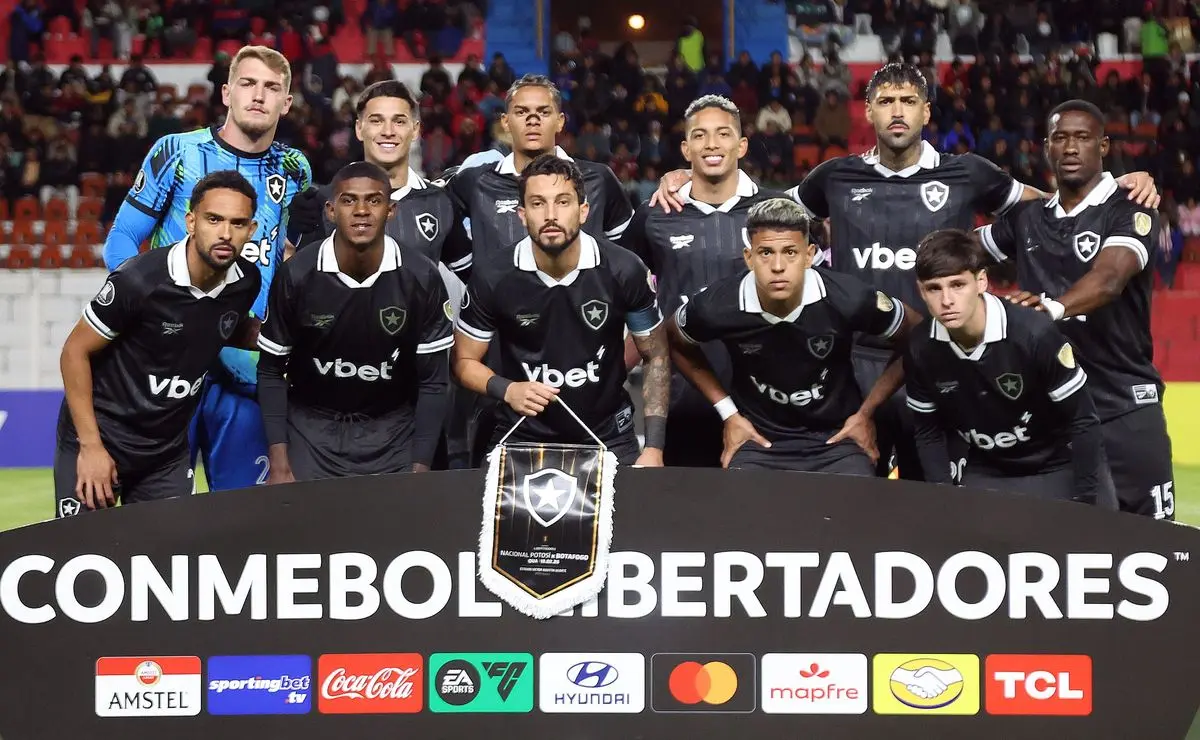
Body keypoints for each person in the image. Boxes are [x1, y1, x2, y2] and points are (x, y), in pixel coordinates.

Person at [650, 62, 1159, 484]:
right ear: (869, 111)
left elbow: (1053, 208)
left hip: (939, 363)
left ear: (926, 111)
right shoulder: (834, 176)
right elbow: (766, 216)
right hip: (852, 368)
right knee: (858, 492)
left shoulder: (968, 172)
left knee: (934, 494)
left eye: (908, 101)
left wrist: (1112, 189)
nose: (897, 111)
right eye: (886, 101)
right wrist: (689, 178)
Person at [101, 45, 313, 492]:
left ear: (286, 103)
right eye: (248, 83)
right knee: (157, 514)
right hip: (167, 361)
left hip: (246, 366)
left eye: (272, 87)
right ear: (226, 93)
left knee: (244, 514)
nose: (259, 95)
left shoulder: (295, 168)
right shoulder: (177, 151)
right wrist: (152, 311)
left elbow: (290, 253)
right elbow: (121, 240)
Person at [977, 99, 1174, 519]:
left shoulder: (1131, 205)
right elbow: (957, 253)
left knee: (1155, 538)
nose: (1070, 147)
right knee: (1067, 540)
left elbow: (1110, 279)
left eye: (1082, 137)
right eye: (1060, 138)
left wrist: (1049, 309)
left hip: (1123, 404)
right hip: (1053, 411)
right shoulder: (1028, 218)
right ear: (1046, 147)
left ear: (1103, 146)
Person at [55, 172, 264, 517]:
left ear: (251, 230)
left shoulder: (246, 282)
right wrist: (91, 447)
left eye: (238, 223)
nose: (226, 233)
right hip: (104, 436)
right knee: (84, 547)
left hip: (166, 451)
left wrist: (282, 337)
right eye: (214, 219)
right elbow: (74, 351)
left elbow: (224, 325)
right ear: (191, 222)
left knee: (172, 548)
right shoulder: (139, 280)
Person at [666, 198, 919, 472]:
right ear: (749, 258)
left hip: (837, 440)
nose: (778, 266)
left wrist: (866, 413)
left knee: (855, 498)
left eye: (790, 252)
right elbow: (675, 341)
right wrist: (729, 414)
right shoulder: (718, 305)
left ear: (809, 255)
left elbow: (918, 334)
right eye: (765, 252)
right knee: (740, 499)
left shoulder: (848, 298)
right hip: (757, 441)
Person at [452, 155, 669, 466]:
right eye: (538, 204)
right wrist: (508, 389)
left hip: (609, 437)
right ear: (522, 214)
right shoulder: (493, 276)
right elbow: (463, 361)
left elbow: (655, 353)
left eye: (563, 202)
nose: (551, 215)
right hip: (521, 436)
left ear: (583, 211)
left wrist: (654, 448)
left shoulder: (624, 270)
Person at [257, 162, 452, 481]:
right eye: (349, 200)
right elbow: (270, 371)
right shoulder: (297, 275)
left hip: (392, 432)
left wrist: (420, 468)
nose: (361, 211)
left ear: (391, 211)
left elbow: (433, 382)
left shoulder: (421, 277)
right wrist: (279, 464)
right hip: (311, 429)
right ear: (330, 211)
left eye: (374, 200)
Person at [623, 95, 788, 468]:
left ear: (741, 145)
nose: (712, 144)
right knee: (683, 504)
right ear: (686, 149)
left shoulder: (775, 212)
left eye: (723, 134)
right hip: (679, 402)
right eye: (700, 135)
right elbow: (626, 297)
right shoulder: (655, 216)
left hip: (763, 401)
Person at [904, 229, 1116, 508]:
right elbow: (928, 432)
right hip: (989, 469)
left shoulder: (1033, 334)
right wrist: (943, 497)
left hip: (1059, 464)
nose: (946, 300)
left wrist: (1086, 500)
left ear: (981, 281)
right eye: (934, 288)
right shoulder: (920, 347)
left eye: (958, 285)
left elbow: (1083, 420)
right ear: (921, 290)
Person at [287, 80, 472, 277]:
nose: (388, 131)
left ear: (415, 130)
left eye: (399, 121)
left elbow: (475, 281)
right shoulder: (323, 202)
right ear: (359, 129)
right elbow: (300, 283)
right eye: (376, 121)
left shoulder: (440, 203)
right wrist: (292, 229)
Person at [443, 74, 635, 257]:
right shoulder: (475, 181)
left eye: (543, 112)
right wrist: (469, 269)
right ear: (505, 122)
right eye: (521, 112)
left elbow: (628, 253)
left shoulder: (598, 179)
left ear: (560, 122)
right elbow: (433, 212)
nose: (533, 120)